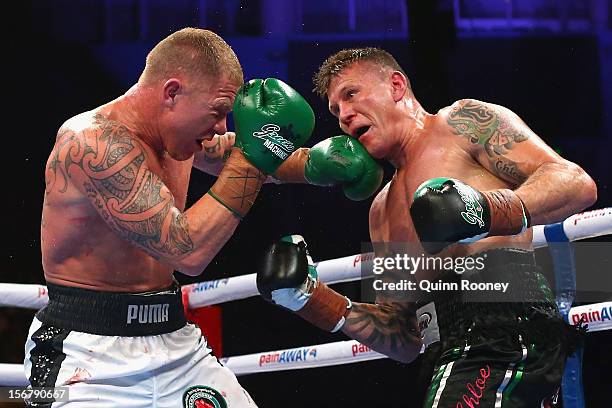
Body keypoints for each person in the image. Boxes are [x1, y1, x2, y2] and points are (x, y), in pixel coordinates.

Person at [256, 47, 597, 407]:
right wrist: (309, 298)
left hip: (508, 329)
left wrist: (487, 209)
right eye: (335, 110)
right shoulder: (380, 210)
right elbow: (401, 336)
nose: (343, 115)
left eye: (351, 94)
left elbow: (574, 182)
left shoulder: (461, 123)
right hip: (447, 353)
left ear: (397, 85)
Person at [26, 27, 317, 407]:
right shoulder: (95, 144)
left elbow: (242, 155)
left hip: (173, 338)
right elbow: (187, 251)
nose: (221, 128)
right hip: (85, 355)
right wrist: (255, 154)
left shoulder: (179, 138)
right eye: (218, 113)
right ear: (172, 92)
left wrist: (322, 167)